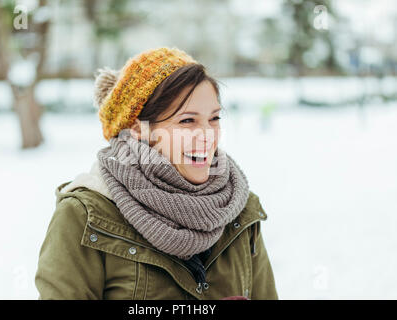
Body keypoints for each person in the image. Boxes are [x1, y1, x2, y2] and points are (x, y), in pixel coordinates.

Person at [34, 47, 278, 300]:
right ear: (139, 130)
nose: (207, 135)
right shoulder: (85, 216)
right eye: (187, 121)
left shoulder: (239, 208)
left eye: (214, 118)